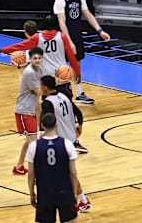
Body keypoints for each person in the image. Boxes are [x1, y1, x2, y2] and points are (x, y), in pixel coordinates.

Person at [54, 0, 111, 104]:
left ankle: (79, 93)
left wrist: (100, 30)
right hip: (64, 38)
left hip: (77, 35)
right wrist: (69, 41)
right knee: (60, 67)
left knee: (77, 66)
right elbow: (62, 22)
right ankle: (57, 94)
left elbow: (88, 15)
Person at [38, 76, 92, 212]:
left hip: (60, 142)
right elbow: (79, 113)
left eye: (40, 85)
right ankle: (83, 200)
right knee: (67, 173)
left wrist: (42, 138)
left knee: (66, 174)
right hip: (71, 140)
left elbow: (48, 124)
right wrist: (80, 126)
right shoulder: (64, 95)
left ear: (45, 87)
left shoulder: (47, 103)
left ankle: (78, 200)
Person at [27, 112, 80, 223]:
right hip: (65, 192)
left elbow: (31, 174)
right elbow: (73, 172)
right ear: (56, 124)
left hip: (44, 193)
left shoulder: (34, 146)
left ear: (42, 125)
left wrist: (32, 193)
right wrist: (75, 193)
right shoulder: (67, 144)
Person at [12, 47, 44, 176]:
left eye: (39, 58)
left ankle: (19, 166)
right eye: (34, 58)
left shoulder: (38, 70)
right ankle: (39, 172)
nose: (37, 60)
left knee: (30, 140)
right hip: (23, 111)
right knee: (34, 144)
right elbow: (40, 92)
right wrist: (57, 83)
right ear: (30, 59)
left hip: (31, 109)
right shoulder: (30, 73)